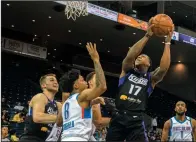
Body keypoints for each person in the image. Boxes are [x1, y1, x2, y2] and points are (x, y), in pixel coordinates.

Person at [106, 17, 173, 141]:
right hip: (118, 117)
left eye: (143, 56)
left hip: (135, 121)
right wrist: (147, 36)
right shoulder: (127, 71)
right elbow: (131, 54)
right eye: (139, 55)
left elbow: (163, 68)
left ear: (148, 64)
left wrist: (167, 43)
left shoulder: (150, 78)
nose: (139, 56)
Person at [56, 42, 107, 141]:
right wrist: (96, 60)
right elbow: (102, 86)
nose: (85, 82)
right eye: (82, 80)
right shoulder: (82, 95)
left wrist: (91, 102)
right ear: (75, 85)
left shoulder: (66, 103)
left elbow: (58, 122)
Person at [20, 73, 62, 141]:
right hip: (31, 138)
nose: (56, 82)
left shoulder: (58, 105)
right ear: (43, 85)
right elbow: (38, 117)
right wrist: (60, 118)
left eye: (56, 81)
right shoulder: (40, 97)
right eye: (52, 80)